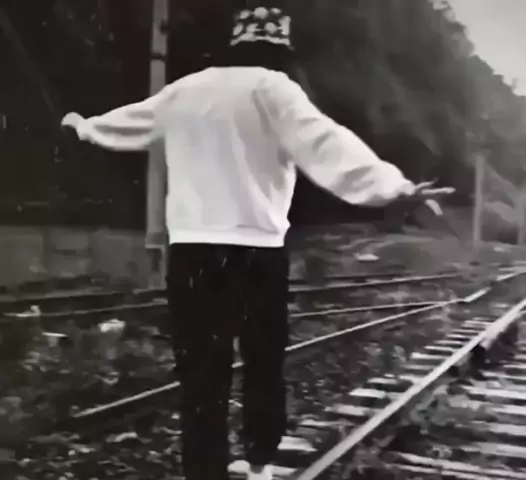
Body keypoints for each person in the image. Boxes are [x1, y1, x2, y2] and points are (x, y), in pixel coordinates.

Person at [61, 5, 449, 480]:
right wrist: (396, 189)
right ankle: (259, 463)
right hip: (256, 252)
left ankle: (204, 471)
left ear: (235, 45)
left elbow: (130, 122)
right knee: (263, 363)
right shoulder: (274, 88)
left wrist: (85, 126)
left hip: (194, 251)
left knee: (201, 373)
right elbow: (327, 144)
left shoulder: (186, 89)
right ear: (279, 50)